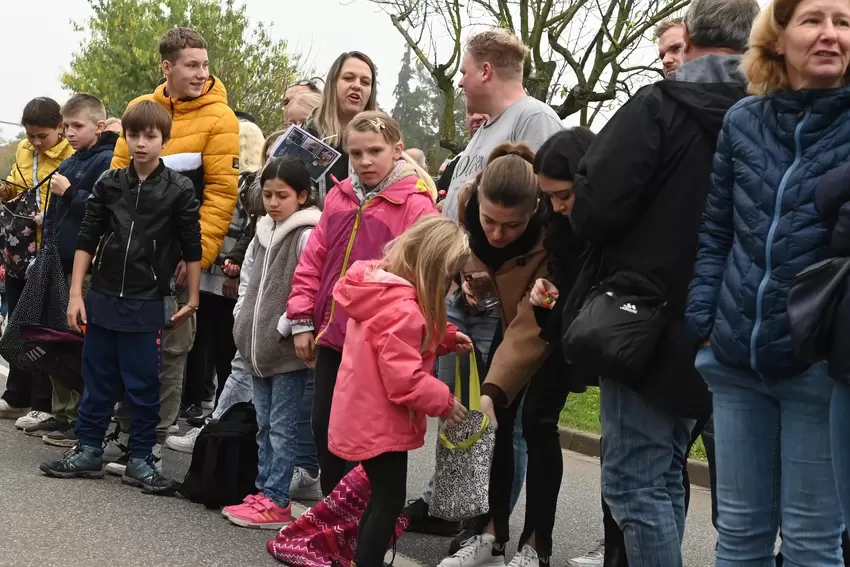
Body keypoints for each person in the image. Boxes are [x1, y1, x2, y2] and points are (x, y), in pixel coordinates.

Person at [566, 0, 759, 563]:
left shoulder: (657, 106)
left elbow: (594, 209)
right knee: (672, 474)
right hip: (734, 322)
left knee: (636, 481)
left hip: (645, 325)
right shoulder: (773, 114)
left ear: (691, 40)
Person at [686, 0, 850, 561]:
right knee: (739, 537)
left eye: (844, 23)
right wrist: (704, 323)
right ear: (777, 38)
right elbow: (715, 233)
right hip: (735, 361)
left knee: (811, 543)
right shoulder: (743, 120)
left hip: (820, 368)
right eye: (813, 20)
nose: (830, 34)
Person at [39, 100, 201, 494]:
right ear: (124, 136)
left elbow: (192, 245)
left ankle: (142, 458)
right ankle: (89, 449)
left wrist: (193, 297)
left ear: (165, 140)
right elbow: (86, 238)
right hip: (104, 295)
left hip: (148, 302)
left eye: (150, 136)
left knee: (144, 384)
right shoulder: (109, 183)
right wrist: (76, 293)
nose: (141, 143)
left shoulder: (179, 189)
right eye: (134, 135)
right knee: (97, 380)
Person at [437, 142, 587, 567]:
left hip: (548, 327)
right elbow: (471, 254)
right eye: (490, 221)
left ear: (535, 210)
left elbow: (529, 320)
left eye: (512, 225)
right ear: (478, 197)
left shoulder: (555, 230)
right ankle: (490, 533)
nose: (498, 233)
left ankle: (536, 545)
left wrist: (492, 388)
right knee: (497, 427)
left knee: (537, 423)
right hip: (509, 323)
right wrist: (472, 278)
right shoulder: (467, 203)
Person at [107, 27, 239, 474]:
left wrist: (196, 257)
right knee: (126, 345)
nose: (202, 73)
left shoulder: (221, 119)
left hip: (180, 261)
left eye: (205, 64)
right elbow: (115, 184)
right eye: (192, 65)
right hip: (128, 258)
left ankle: (153, 441)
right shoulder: (139, 110)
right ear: (167, 66)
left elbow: (221, 194)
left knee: (170, 350)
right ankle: (124, 433)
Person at [287, 111, 438, 496]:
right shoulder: (339, 196)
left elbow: (425, 276)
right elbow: (313, 260)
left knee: (372, 436)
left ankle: (370, 526)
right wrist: (302, 318)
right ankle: (336, 513)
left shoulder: (416, 207)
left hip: (379, 343)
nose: (365, 161)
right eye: (356, 153)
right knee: (324, 425)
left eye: (375, 151)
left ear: (397, 150)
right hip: (333, 334)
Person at [328, 215, 472, 567]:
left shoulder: (382, 291)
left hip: (363, 413)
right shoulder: (405, 310)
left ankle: (360, 558)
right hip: (382, 422)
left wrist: (445, 338)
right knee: (388, 502)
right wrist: (445, 402)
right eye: (452, 276)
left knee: (381, 498)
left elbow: (399, 347)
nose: (453, 285)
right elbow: (404, 378)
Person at [222, 156, 322, 528]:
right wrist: (240, 320)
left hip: (284, 351)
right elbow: (248, 282)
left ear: (302, 196)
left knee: (282, 426)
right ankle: (264, 491)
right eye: (268, 195)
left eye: (283, 195)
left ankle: (277, 499)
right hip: (255, 347)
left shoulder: (307, 233)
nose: (274, 202)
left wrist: (287, 326)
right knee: (263, 423)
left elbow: (308, 286)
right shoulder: (262, 231)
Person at [24, 94, 119, 448]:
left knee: (77, 343)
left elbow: (103, 213)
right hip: (56, 261)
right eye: (67, 126)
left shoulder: (108, 160)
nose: (70, 133)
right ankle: (62, 411)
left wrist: (71, 193)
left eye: (77, 126)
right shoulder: (71, 161)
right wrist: (43, 252)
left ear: (98, 125)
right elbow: (54, 217)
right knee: (52, 340)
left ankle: (81, 415)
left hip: (83, 267)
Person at [181, 119, 263, 420]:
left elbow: (239, 229)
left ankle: (206, 404)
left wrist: (229, 270)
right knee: (222, 345)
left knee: (208, 341)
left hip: (216, 271)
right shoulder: (252, 183)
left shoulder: (241, 182)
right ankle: (214, 405)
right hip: (226, 273)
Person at [0, 97, 74, 423]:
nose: (35, 142)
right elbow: (18, 183)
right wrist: (7, 192)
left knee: (41, 328)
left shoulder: (71, 157)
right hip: (20, 247)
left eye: (42, 136)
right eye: (30, 135)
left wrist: (53, 213)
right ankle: (16, 395)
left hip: (49, 251)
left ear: (60, 127)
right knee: (17, 324)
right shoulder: (24, 151)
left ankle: (44, 403)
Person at [305, 52, 378, 198]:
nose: (357, 86)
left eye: (365, 82)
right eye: (348, 78)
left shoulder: (383, 138)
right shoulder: (307, 133)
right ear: (333, 83)